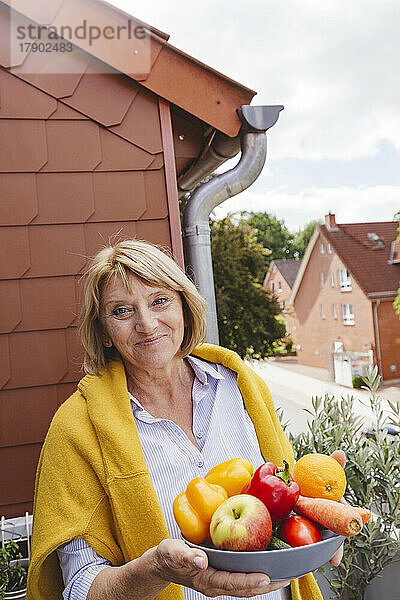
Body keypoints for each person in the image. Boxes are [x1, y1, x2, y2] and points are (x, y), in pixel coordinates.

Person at [27, 239, 343, 600]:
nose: (146, 324)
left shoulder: (242, 387)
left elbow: (287, 509)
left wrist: (325, 519)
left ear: (183, 305)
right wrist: (157, 570)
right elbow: (80, 587)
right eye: (121, 311)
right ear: (103, 332)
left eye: (159, 300)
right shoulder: (77, 428)